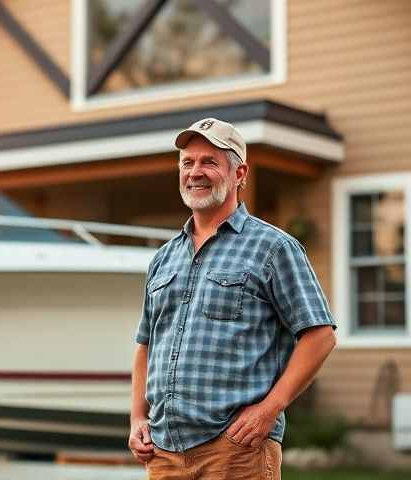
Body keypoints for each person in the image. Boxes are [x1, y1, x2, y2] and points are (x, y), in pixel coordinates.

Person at [128, 118, 337, 479]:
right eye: (187, 162)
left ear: (239, 173)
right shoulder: (163, 257)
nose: (195, 172)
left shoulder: (274, 248)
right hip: (164, 453)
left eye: (209, 161)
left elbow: (320, 335)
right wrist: (137, 418)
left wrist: (269, 409)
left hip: (236, 451)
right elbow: (146, 344)